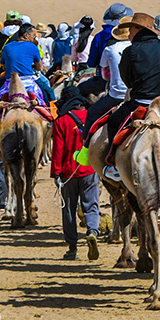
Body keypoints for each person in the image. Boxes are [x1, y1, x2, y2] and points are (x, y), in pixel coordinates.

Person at [82, 13, 160, 177]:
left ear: (139, 29)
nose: (128, 33)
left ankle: (113, 163)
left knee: (114, 122)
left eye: (130, 29)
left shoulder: (131, 51)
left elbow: (127, 80)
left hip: (140, 103)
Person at [52, 83, 101, 260]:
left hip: (67, 172)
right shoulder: (92, 117)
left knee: (68, 209)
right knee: (91, 203)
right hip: (89, 169)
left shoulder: (60, 121)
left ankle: (72, 247)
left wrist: (56, 173)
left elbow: (57, 149)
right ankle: (93, 231)